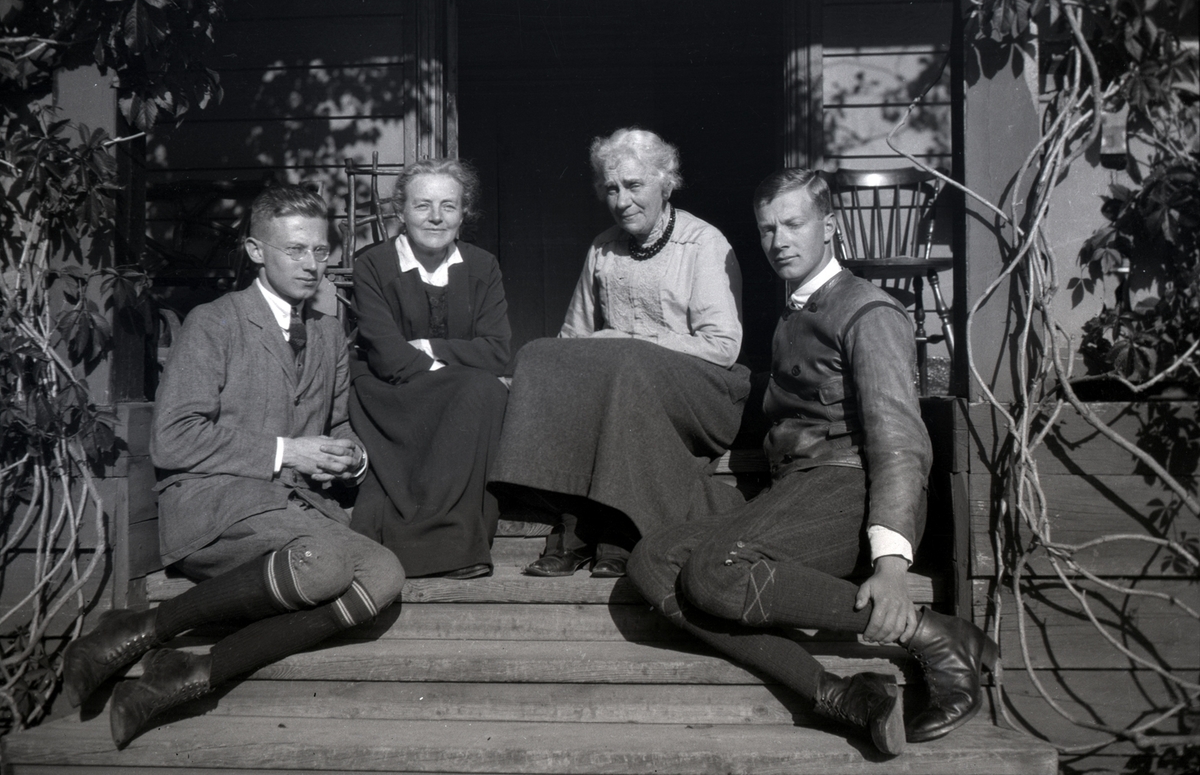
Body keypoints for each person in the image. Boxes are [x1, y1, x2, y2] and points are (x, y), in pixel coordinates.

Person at [627, 168, 998, 756]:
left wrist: (892, 566)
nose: (779, 241)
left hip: (850, 493)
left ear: (830, 226)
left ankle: (934, 633)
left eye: (793, 224)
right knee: (653, 560)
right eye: (767, 229)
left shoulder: (867, 311)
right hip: (798, 491)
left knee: (714, 572)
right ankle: (842, 695)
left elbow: (900, 440)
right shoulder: (795, 313)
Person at [61, 185, 406, 749]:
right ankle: (143, 627)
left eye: (320, 250)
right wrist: (288, 451)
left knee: (385, 575)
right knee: (324, 565)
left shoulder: (327, 332)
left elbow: (338, 423)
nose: (312, 264)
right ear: (255, 251)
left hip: (291, 510)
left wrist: (350, 455)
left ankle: (191, 671)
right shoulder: (215, 322)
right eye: (295, 249)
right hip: (212, 505)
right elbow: (173, 439)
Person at [489, 128, 750, 578]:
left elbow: (722, 346)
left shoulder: (703, 242)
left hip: (704, 390)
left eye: (634, 185)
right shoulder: (603, 247)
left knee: (624, 365)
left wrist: (630, 342)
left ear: (666, 184)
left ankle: (617, 533)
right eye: (611, 188)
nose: (622, 200)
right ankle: (575, 526)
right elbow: (572, 340)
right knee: (538, 355)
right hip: (625, 382)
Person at [348, 158, 510, 579]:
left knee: (484, 390)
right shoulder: (373, 264)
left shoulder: (483, 266)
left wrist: (427, 347)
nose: (436, 217)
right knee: (482, 390)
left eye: (448, 206)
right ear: (400, 211)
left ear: (463, 214)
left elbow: (496, 351)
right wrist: (457, 366)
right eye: (422, 205)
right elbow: (388, 357)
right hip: (389, 394)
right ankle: (436, 544)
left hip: (457, 393)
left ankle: (450, 544)